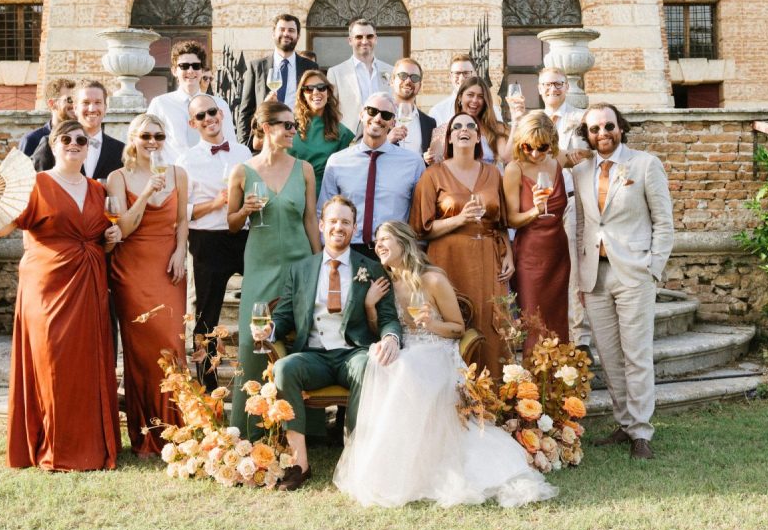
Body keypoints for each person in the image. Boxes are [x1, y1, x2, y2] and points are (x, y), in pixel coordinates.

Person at [333, 220, 557, 508]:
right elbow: (384, 330)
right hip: (406, 350)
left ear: (403, 242)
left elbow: (458, 328)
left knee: (404, 367)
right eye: (376, 241)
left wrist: (432, 324)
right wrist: (369, 306)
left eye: (385, 239)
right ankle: (393, 464)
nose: (378, 245)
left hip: (437, 350)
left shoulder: (432, 279)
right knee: (382, 361)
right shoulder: (384, 283)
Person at [0, 119, 120, 471]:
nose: (74, 144)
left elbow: (102, 237)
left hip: (89, 285)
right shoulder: (37, 184)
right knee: (52, 361)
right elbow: (1, 229)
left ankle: (91, 446)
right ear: (53, 145)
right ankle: (55, 446)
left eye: (81, 139)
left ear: (88, 147)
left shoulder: (97, 190)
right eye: (65, 139)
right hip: (47, 285)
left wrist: (110, 240)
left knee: (87, 364)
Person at [266, 197, 401, 492]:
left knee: (368, 366)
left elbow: (389, 318)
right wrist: (269, 330)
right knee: (284, 369)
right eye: (333, 221)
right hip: (313, 355)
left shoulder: (372, 268)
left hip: (353, 352)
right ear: (321, 225)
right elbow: (283, 316)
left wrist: (391, 337)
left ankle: (359, 460)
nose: (339, 227)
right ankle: (299, 464)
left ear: (354, 228)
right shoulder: (300, 270)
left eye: (345, 222)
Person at [572, 103, 674, 460]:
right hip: (595, 276)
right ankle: (625, 423)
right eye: (594, 129)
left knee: (637, 354)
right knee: (610, 356)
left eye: (608, 126)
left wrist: (653, 267)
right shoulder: (580, 171)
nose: (602, 134)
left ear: (620, 127)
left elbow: (664, 222)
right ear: (587, 135)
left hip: (634, 272)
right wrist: (581, 274)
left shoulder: (645, 164)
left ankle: (641, 432)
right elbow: (583, 225)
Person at [226, 101, 321, 432]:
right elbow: (231, 223)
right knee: (253, 342)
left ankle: (303, 427)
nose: (294, 131)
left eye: (295, 125)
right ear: (267, 128)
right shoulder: (242, 171)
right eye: (287, 125)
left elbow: (311, 220)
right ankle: (250, 426)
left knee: (301, 339)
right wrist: (245, 211)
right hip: (260, 264)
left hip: (300, 263)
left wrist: (319, 264)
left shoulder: (304, 169)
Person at [105, 113, 189, 457]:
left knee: (172, 344)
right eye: (145, 136)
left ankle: (180, 429)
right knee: (141, 353)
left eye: (158, 136)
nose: (152, 142)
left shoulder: (178, 174)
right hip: (132, 271)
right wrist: (145, 194)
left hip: (168, 269)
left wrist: (181, 252)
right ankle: (147, 433)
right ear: (133, 139)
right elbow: (123, 229)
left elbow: (182, 220)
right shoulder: (117, 177)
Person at [410, 112, 513, 378]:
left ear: (478, 138)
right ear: (449, 138)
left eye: (470, 126)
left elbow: (501, 222)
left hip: (488, 256)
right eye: (456, 127)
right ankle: (454, 393)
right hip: (448, 258)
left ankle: (493, 393)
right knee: (454, 320)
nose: (463, 130)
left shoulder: (493, 173)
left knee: (491, 322)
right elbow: (421, 229)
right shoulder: (433, 175)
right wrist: (459, 219)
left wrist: (508, 254)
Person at [176, 94, 252, 392]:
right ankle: (208, 389)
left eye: (211, 112)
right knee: (206, 316)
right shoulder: (186, 161)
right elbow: (182, 212)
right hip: (207, 240)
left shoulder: (243, 152)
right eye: (200, 116)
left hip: (244, 236)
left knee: (263, 302)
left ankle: (259, 377)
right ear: (192, 123)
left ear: (221, 113)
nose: (208, 119)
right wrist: (215, 203)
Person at [319, 93, 424, 260]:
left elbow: (418, 214)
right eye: (372, 111)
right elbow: (324, 211)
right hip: (347, 250)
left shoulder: (413, 163)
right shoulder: (337, 161)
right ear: (362, 114)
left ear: (393, 123)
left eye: (386, 115)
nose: (378, 118)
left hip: (394, 252)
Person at [503, 112, 571, 361]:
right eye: (527, 147)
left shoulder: (557, 162)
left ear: (551, 143)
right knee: (534, 322)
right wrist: (535, 210)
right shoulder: (514, 169)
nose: (534, 153)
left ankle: (562, 380)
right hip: (530, 255)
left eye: (542, 147)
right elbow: (510, 219)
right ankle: (533, 383)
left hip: (558, 252)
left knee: (558, 321)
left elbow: (585, 155)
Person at [534, 66, 592, 352]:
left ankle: (580, 338)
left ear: (567, 87)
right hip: (541, 202)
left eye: (558, 84)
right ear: (539, 88)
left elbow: (586, 154)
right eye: (547, 85)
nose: (552, 89)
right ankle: (547, 333)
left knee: (573, 266)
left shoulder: (580, 118)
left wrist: (553, 155)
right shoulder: (534, 120)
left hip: (571, 199)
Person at [237, 14, 318, 145]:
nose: (286, 34)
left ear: (298, 36)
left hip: (299, 141)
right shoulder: (256, 67)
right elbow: (245, 110)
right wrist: (244, 145)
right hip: (265, 141)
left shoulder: (310, 67)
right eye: (282, 29)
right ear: (273, 34)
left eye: (291, 30)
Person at [147, 41, 237, 158]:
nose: (190, 71)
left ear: (202, 70)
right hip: (173, 168)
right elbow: (148, 143)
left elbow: (230, 143)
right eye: (184, 66)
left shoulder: (219, 104)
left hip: (211, 167)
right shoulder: (160, 104)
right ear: (174, 71)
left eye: (196, 66)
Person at [31, 80, 125, 180]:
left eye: (98, 102)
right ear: (75, 107)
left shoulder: (120, 150)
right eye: (86, 102)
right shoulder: (51, 144)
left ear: (105, 108)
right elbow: (34, 185)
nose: (92, 109)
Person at [290, 69, 355, 195]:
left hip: (325, 194)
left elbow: (344, 173)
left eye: (321, 87)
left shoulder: (342, 132)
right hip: (293, 192)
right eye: (309, 89)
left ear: (328, 92)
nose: (316, 92)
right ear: (302, 95)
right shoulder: (289, 125)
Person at [327, 19, 393, 131]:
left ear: (375, 39)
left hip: (385, 136)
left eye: (369, 36)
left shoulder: (391, 71)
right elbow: (330, 111)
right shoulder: (336, 73)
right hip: (350, 138)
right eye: (359, 37)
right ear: (350, 40)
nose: (364, 41)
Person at [384, 57, 437, 161]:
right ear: (392, 81)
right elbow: (364, 153)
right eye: (403, 76)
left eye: (415, 77)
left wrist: (427, 159)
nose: (408, 81)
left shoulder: (429, 123)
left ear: (420, 85)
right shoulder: (376, 114)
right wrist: (387, 141)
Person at [453, 76, 512, 165]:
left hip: (492, 173)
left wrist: (516, 120)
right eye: (470, 95)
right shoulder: (449, 128)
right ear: (460, 97)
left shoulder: (496, 127)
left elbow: (507, 158)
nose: (475, 100)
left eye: (480, 96)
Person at [18, 78, 76, 157]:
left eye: (77, 100)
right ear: (52, 104)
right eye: (70, 99)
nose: (74, 104)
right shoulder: (32, 140)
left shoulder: (84, 138)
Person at [429, 53, 475, 125]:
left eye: (466, 73)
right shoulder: (437, 111)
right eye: (457, 73)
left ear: (474, 75)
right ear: (450, 76)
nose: (462, 78)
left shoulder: (489, 109)